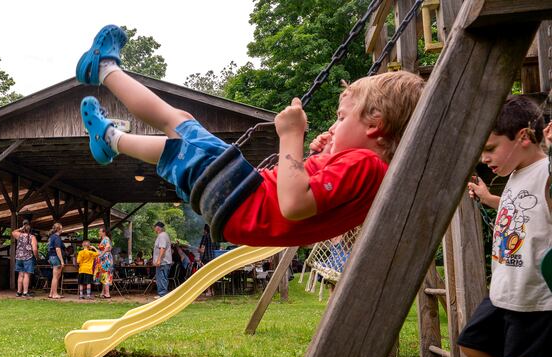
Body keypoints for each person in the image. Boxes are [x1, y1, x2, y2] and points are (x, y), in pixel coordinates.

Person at [75, 25, 424, 247]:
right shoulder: (373, 174)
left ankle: (102, 67)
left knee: (176, 119)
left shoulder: (364, 165)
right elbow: (308, 198)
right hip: (236, 210)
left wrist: (291, 136)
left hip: (242, 198)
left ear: (374, 124)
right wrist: (323, 156)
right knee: (174, 147)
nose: (333, 126)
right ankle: (110, 140)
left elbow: (293, 203)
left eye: (341, 117)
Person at [460, 96, 552, 357]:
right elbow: (526, 212)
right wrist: (489, 199)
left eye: (491, 148)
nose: (487, 159)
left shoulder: (549, 173)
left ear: (524, 137)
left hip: (535, 293)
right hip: (505, 287)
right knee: (472, 343)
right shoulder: (518, 173)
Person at [12, 219, 37, 297]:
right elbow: (35, 249)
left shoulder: (19, 235)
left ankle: (19, 292)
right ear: (30, 230)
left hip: (19, 257)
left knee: (20, 274)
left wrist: (20, 229)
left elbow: (13, 232)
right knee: (26, 275)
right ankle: (25, 292)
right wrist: (36, 257)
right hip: (28, 257)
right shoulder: (32, 237)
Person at [152, 221, 173, 298]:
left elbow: (162, 248)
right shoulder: (164, 235)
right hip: (164, 262)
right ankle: (161, 294)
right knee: (161, 277)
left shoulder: (162, 236)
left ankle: (163, 295)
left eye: (155, 227)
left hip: (163, 262)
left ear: (158, 228)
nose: (154, 229)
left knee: (161, 278)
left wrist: (158, 260)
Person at [47, 222, 66, 299]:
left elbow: (49, 248)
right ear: (58, 229)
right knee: (56, 277)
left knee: (56, 276)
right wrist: (62, 260)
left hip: (51, 257)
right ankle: (55, 294)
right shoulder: (57, 237)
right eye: (61, 228)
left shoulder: (51, 237)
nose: (62, 230)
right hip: (56, 257)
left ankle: (51, 293)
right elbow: (58, 249)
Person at [94, 226, 114, 298]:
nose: (99, 232)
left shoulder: (106, 239)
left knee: (105, 275)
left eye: (100, 231)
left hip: (106, 259)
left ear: (104, 232)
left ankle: (107, 294)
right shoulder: (103, 239)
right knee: (103, 275)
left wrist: (101, 254)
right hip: (104, 259)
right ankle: (103, 293)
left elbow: (108, 247)